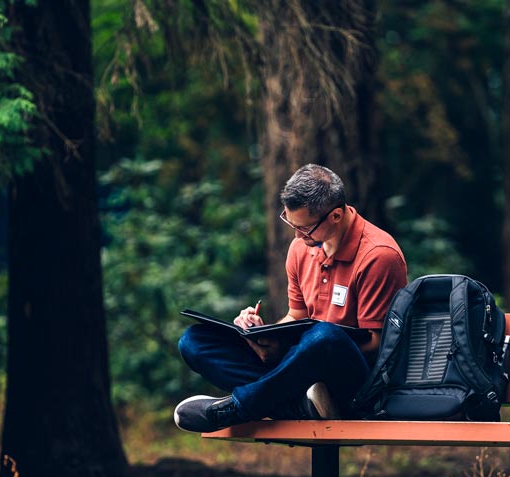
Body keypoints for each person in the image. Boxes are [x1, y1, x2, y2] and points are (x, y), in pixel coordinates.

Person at [174, 164, 407, 433]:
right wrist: (264, 334)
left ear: (335, 216)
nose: (297, 236)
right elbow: (295, 316)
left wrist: (300, 352)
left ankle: (238, 408)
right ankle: (300, 404)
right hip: (301, 370)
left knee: (324, 337)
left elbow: (379, 345)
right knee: (194, 341)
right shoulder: (301, 248)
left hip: (356, 384)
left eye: (305, 229)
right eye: (290, 223)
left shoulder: (379, 255)